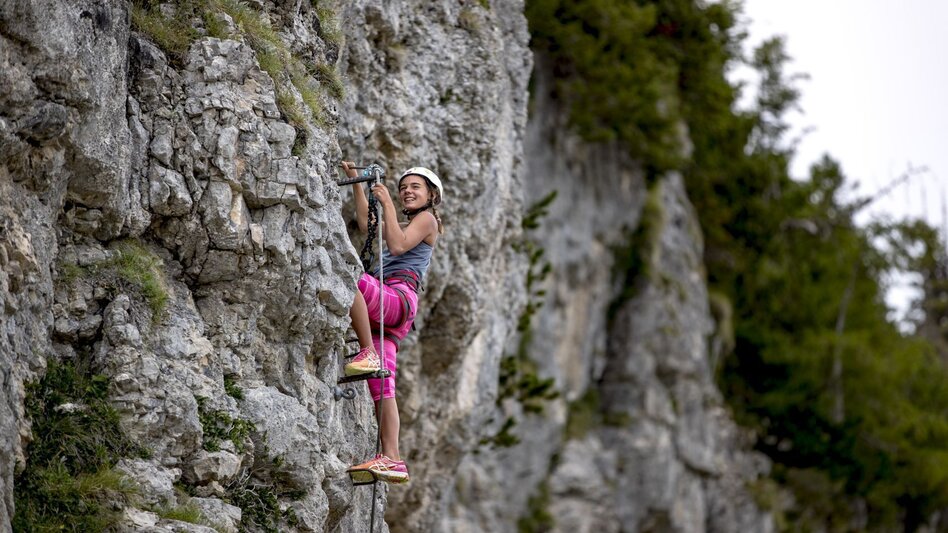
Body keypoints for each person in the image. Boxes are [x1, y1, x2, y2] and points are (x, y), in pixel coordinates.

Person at [341, 161, 444, 484]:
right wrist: (358, 184)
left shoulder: (428, 220)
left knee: (350, 277)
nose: (407, 191)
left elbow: (397, 245)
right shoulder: (406, 224)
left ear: (431, 195)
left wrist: (387, 202)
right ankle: (393, 458)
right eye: (404, 188)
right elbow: (365, 222)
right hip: (393, 312)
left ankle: (367, 351)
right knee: (382, 386)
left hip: (396, 300)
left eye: (415, 187)